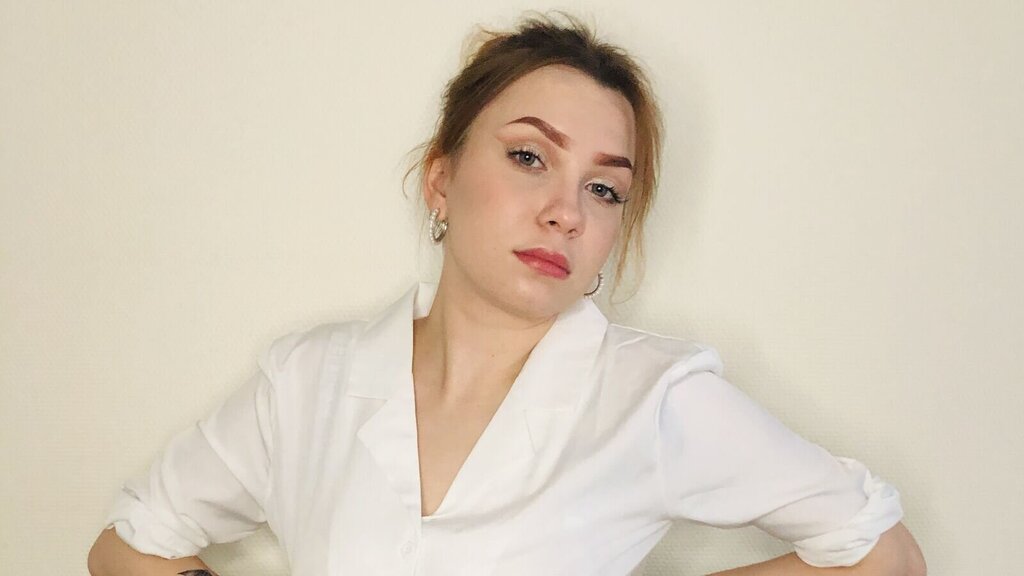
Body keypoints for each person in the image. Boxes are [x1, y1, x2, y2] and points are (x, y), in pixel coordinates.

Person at [88, 13, 926, 576]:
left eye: (604, 189)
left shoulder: (654, 400)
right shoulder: (306, 382)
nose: (566, 211)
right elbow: (129, 544)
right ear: (441, 180)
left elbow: (882, 554)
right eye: (530, 157)